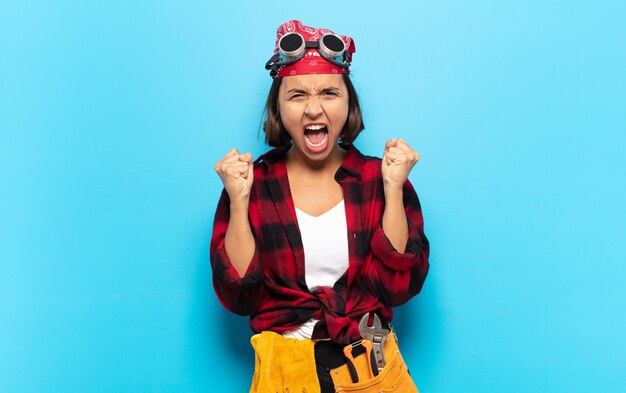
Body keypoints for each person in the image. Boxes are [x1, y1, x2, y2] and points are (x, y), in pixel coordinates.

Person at [211, 20, 429, 393]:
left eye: (329, 92)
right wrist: (238, 200)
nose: (314, 109)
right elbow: (238, 296)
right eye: (297, 96)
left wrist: (393, 191)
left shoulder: (382, 177)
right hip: (285, 372)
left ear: (348, 103)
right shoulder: (254, 183)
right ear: (278, 108)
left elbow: (397, 287)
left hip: (371, 369)